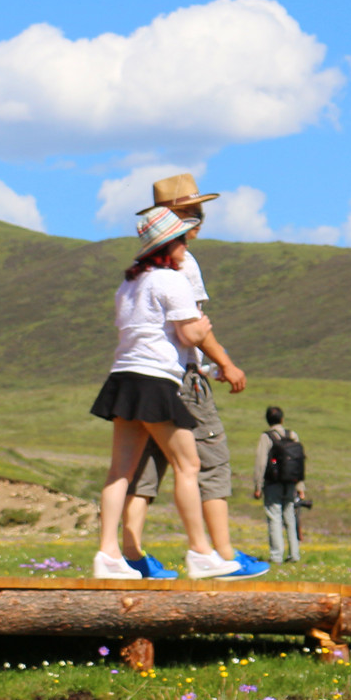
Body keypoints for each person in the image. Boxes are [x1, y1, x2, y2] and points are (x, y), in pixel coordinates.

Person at [88, 208, 254, 580]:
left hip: (123, 378)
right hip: (156, 379)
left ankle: (108, 554)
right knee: (188, 465)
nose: (186, 243)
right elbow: (190, 335)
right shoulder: (172, 280)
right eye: (180, 238)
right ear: (168, 244)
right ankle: (200, 551)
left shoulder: (129, 283)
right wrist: (203, 325)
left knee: (119, 472)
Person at [252, 405, 308, 563]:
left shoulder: (267, 437)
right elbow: (299, 462)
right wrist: (300, 486)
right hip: (291, 483)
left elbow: (261, 463)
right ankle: (294, 555)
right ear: (282, 419)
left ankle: (276, 556)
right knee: (290, 517)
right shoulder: (293, 435)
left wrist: (258, 486)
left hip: (273, 483)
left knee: (274, 517)